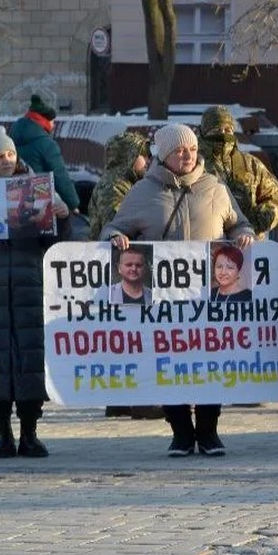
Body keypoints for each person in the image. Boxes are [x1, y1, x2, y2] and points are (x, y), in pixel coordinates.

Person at [101, 123, 256, 457]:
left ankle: (209, 432)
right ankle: (182, 433)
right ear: (164, 154)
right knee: (170, 364)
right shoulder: (143, 192)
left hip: (209, 296)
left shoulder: (215, 187)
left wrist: (244, 235)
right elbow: (113, 227)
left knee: (209, 362)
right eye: (180, 150)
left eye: (193, 149)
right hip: (163, 300)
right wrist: (115, 238)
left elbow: (239, 223)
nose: (188, 156)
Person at [0, 124, 71, 458]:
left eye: (10, 153)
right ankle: (2, 433)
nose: (7, 160)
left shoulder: (38, 189)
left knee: (30, 362)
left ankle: (30, 432)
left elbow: (56, 245)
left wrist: (61, 217)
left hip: (29, 285)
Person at [88, 130, 160, 420]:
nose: (147, 160)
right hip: (116, 268)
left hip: (115, 268)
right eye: (143, 154)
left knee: (122, 335)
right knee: (132, 335)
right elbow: (119, 225)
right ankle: (137, 401)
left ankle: (118, 399)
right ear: (131, 157)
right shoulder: (116, 188)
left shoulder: (121, 184)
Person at [198, 105, 278, 239]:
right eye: (217, 130)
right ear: (204, 132)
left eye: (228, 129)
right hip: (208, 244)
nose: (223, 134)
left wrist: (258, 221)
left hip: (249, 244)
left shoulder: (250, 164)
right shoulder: (194, 164)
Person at [8, 93, 81, 213]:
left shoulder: (11, 135)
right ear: (45, 121)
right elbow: (59, 176)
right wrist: (73, 204)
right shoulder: (45, 143)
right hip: (40, 199)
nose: (54, 125)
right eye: (53, 121)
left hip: (13, 198)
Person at [87, 130, 151, 239]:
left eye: (149, 155)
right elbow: (116, 227)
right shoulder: (113, 187)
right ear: (128, 156)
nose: (148, 160)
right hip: (111, 253)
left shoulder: (130, 183)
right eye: (143, 154)